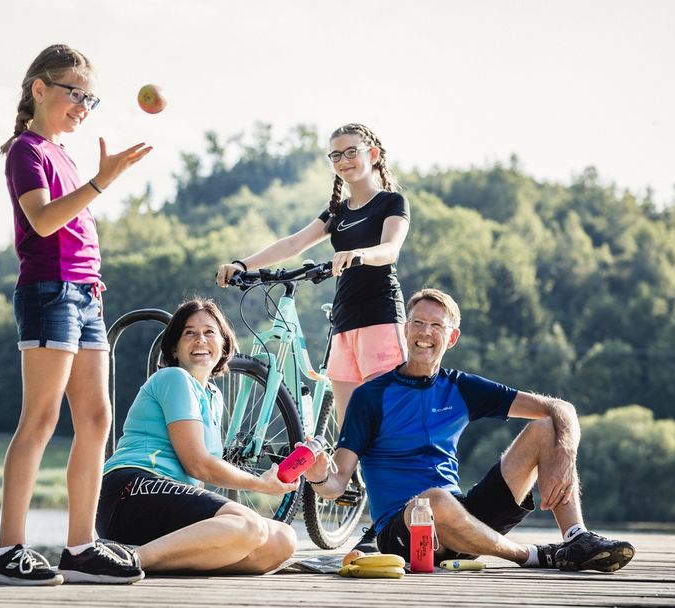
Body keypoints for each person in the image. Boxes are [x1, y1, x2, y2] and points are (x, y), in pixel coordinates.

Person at [304, 288, 635, 572]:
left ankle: (576, 538)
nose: (425, 332)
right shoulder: (371, 396)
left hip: (462, 519)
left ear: (452, 337)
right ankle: (532, 555)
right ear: (405, 330)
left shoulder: (460, 387)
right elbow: (337, 482)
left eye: (436, 325)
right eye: (418, 323)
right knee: (433, 500)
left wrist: (565, 453)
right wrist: (319, 477)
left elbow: (560, 408)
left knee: (547, 428)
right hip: (403, 531)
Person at [0, 44, 152, 586]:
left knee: (97, 418)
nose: (84, 106)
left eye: (90, 99)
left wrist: (96, 180)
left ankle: (80, 549)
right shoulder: (25, 151)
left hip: (86, 295)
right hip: (49, 293)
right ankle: (7, 552)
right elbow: (43, 220)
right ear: (40, 89)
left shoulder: (62, 153)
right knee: (40, 419)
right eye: (76, 93)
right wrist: (102, 181)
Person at [216, 123, 410, 426]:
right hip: (344, 321)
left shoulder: (391, 202)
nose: (343, 161)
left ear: (372, 154)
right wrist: (242, 264)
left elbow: (390, 249)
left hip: (380, 317)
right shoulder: (337, 211)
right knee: (349, 429)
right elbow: (293, 244)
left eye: (351, 152)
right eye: (336, 155)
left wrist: (359, 254)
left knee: (384, 422)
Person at [96, 298, 299, 574]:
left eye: (209, 332)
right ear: (174, 348)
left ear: (224, 344)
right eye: (189, 333)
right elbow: (197, 464)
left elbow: (196, 481)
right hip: (130, 490)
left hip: (165, 501)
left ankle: (158, 559)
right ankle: (128, 558)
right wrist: (260, 484)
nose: (200, 339)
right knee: (249, 525)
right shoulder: (174, 378)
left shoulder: (213, 396)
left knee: (281, 540)